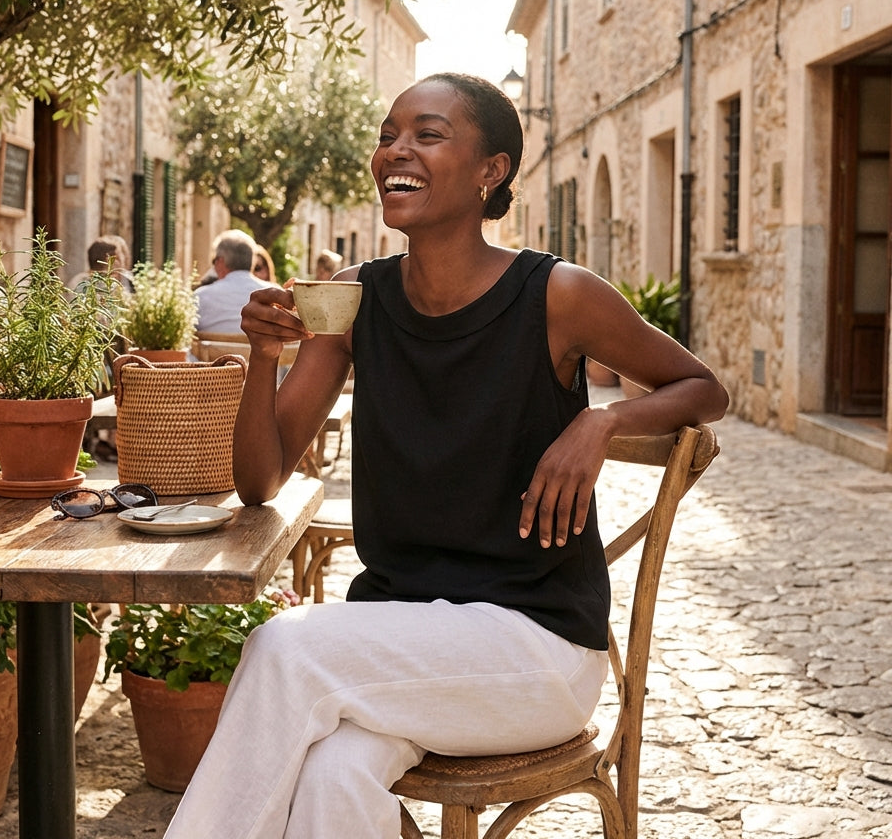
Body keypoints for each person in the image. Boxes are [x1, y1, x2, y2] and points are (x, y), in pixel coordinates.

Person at [164, 73, 729, 839]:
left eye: (428, 135)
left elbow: (703, 387)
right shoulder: (354, 299)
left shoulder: (555, 294)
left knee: (284, 649)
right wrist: (265, 355)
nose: (397, 149)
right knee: (334, 776)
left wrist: (601, 424)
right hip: (404, 637)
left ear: (491, 171)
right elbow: (260, 481)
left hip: (536, 648)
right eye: (389, 134)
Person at [194, 230, 260, 335]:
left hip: (212, 351)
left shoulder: (200, 296)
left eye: (214, 261)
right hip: (261, 351)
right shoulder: (274, 296)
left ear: (220, 261)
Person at [68, 234, 134, 293]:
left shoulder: (76, 281)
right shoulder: (111, 288)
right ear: (110, 260)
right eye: (119, 258)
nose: (123, 262)